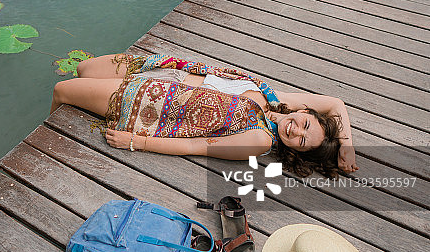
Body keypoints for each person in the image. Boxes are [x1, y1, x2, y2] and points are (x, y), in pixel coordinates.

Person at [50, 53, 358, 177]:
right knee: (83, 68)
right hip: (163, 69)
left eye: (302, 142)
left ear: (295, 152)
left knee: (62, 90)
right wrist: (346, 145)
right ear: (304, 112)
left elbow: (198, 146)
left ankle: (46, 130)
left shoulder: (260, 139)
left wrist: (136, 141)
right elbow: (335, 103)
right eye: (305, 124)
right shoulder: (277, 101)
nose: (296, 131)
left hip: (151, 100)